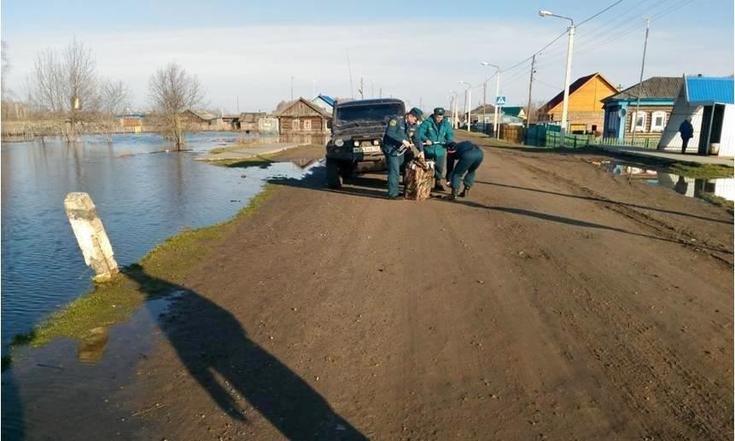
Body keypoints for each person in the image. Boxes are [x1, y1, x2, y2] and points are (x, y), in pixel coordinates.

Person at [382, 107, 423, 199]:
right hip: (391, 149)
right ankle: (393, 194)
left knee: (401, 168)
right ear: (410, 116)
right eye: (415, 119)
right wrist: (403, 140)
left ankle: (396, 190)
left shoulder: (414, 125)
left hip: (401, 150)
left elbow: (417, 139)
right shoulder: (396, 120)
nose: (415, 122)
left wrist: (421, 150)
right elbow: (390, 133)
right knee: (394, 171)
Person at [417, 107, 454, 191]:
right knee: (427, 167)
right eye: (437, 117)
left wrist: (448, 141)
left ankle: (438, 182)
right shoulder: (427, 123)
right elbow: (419, 133)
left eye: (441, 117)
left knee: (439, 168)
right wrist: (426, 139)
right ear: (434, 115)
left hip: (440, 149)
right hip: (429, 149)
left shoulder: (446, 124)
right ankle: (426, 184)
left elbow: (450, 134)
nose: (439, 119)